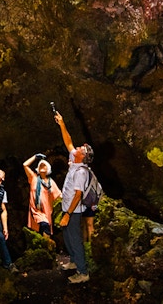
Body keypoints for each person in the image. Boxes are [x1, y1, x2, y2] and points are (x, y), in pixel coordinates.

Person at [55, 111, 94, 284]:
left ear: (83, 156)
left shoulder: (81, 172)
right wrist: (62, 123)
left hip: (73, 211)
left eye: (82, 149)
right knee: (68, 238)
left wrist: (67, 214)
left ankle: (82, 272)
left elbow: (78, 195)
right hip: (67, 207)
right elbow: (68, 142)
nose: (78, 148)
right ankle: (73, 261)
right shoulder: (75, 160)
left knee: (75, 239)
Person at [23, 153, 61, 236]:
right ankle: (47, 245)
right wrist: (35, 157)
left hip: (47, 210)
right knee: (44, 225)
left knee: (43, 229)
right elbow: (25, 165)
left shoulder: (51, 182)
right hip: (36, 210)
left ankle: (47, 246)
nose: (42, 167)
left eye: (44, 166)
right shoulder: (34, 178)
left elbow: (59, 196)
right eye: (40, 166)